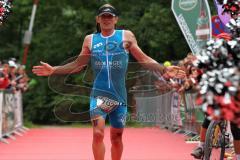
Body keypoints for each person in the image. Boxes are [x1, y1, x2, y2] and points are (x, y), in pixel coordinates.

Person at [32, 4, 185, 160]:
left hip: (119, 96)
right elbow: (78, 64)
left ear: (116, 19)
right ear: (98, 19)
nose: (107, 20)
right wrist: (54, 70)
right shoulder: (90, 40)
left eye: (110, 17)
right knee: (98, 133)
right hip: (99, 95)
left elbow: (144, 59)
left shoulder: (126, 36)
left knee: (116, 137)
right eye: (103, 16)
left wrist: (163, 69)